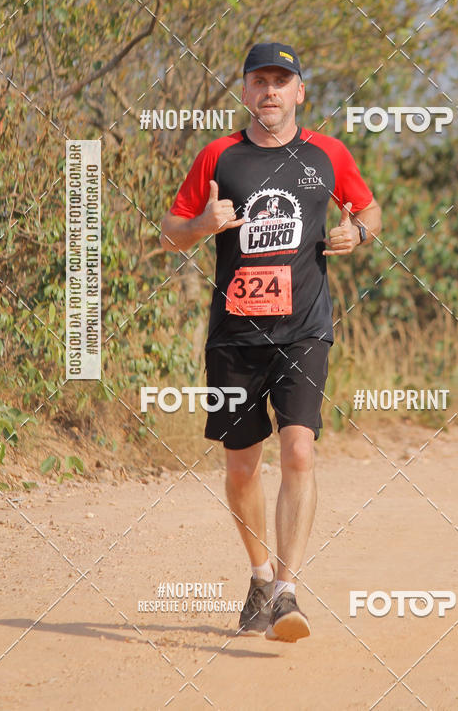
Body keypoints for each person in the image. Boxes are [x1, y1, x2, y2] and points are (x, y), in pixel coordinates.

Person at [160, 42, 381, 642]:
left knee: (299, 451)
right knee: (240, 467)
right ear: (246, 90)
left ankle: (287, 589)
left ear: (300, 92)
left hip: (304, 329)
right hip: (234, 336)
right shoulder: (219, 156)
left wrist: (355, 232)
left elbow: (369, 209)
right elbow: (171, 230)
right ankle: (259, 576)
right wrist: (202, 226)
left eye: (281, 81)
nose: (270, 92)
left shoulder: (327, 154)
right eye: (260, 81)